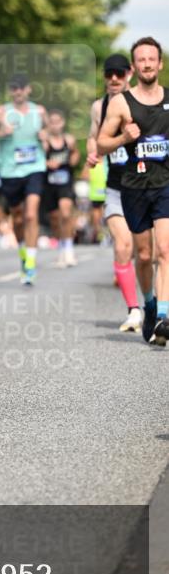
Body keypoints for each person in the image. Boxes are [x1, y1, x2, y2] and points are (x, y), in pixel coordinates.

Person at [97, 37, 169, 346]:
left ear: (160, 63)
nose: (147, 64)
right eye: (141, 60)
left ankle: (164, 317)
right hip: (133, 187)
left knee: (165, 251)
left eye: (152, 59)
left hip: (165, 184)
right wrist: (124, 136)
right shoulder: (121, 102)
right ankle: (149, 305)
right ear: (134, 66)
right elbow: (101, 143)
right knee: (143, 255)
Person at [86, 53, 140, 332]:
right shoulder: (99, 107)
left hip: (145, 187)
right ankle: (133, 310)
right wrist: (91, 153)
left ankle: (155, 304)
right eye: (109, 74)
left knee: (149, 255)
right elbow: (93, 137)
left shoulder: (143, 102)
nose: (114, 79)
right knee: (123, 245)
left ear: (129, 73)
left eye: (120, 73)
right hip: (116, 186)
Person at [0, 74, 47, 285]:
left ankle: (31, 262)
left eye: (22, 88)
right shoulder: (1, 112)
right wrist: (0, 130)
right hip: (10, 171)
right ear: (11, 91)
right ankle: (23, 251)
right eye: (14, 88)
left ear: (29, 89)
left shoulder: (39, 111)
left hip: (35, 167)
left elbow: (49, 130)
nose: (18, 91)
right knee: (18, 218)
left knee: (31, 214)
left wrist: (45, 136)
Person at [42, 109, 80, 267]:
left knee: (66, 214)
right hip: (50, 184)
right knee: (55, 219)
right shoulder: (44, 142)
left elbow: (76, 155)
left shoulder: (69, 140)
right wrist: (47, 163)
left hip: (65, 182)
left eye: (58, 121)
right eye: (52, 122)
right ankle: (61, 248)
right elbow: (38, 159)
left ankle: (69, 250)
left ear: (62, 123)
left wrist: (71, 160)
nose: (55, 125)